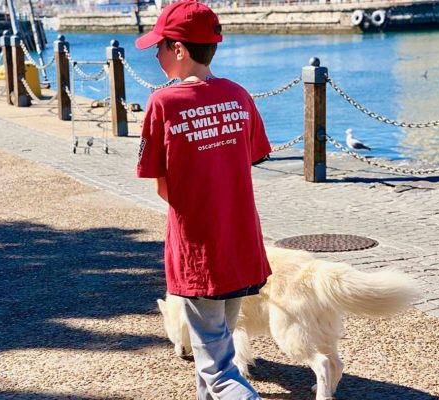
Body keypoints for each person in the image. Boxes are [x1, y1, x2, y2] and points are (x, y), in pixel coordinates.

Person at [135, 1, 272, 399]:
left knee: (219, 369)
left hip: (199, 248)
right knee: (214, 346)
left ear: (179, 50)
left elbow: (161, 183)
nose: (156, 55)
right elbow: (248, 158)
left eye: (159, 47)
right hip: (240, 241)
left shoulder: (163, 103)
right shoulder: (239, 96)